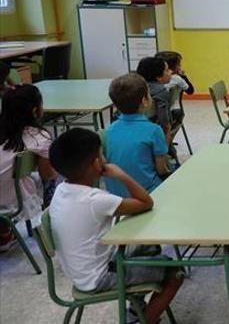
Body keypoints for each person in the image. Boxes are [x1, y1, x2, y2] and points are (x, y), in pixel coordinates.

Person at [48, 128, 183, 324]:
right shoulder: (95, 200)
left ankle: (135, 313)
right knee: (175, 273)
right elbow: (146, 202)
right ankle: (145, 320)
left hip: (82, 271)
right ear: (96, 163)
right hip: (99, 277)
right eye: (101, 154)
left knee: (149, 247)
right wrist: (121, 174)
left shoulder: (62, 190)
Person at [0, 85, 59, 251]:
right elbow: (48, 174)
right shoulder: (38, 138)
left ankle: (4, 232)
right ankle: (50, 222)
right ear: (35, 111)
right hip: (10, 203)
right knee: (53, 179)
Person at [103, 73, 170, 197]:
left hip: (115, 194)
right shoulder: (154, 130)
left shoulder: (108, 131)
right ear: (145, 101)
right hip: (147, 192)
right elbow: (161, 169)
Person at [136, 57, 173, 145]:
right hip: (151, 131)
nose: (171, 72)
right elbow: (164, 120)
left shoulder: (133, 89)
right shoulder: (161, 91)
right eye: (167, 70)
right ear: (158, 77)